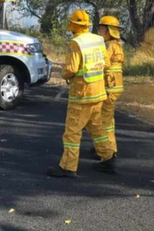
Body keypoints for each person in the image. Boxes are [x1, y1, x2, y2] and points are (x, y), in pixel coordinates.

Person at [47, 10, 117, 178]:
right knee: (97, 128)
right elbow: (106, 63)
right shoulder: (98, 39)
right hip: (98, 93)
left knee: (72, 131)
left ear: (74, 25)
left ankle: (68, 167)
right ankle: (108, 158)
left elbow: (70, 70)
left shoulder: (75, 43)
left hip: (81, 95)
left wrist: (64, 74)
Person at [98, 16, 125, 156]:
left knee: (103, 120)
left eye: (101, 27)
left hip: (108, 86)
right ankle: (108, 147)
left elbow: (105, 64)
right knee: (108, 119)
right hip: (115, 86)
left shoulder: (107, 46)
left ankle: (107, 151)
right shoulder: (117, 45)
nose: (99, 30)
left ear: (109, 30)